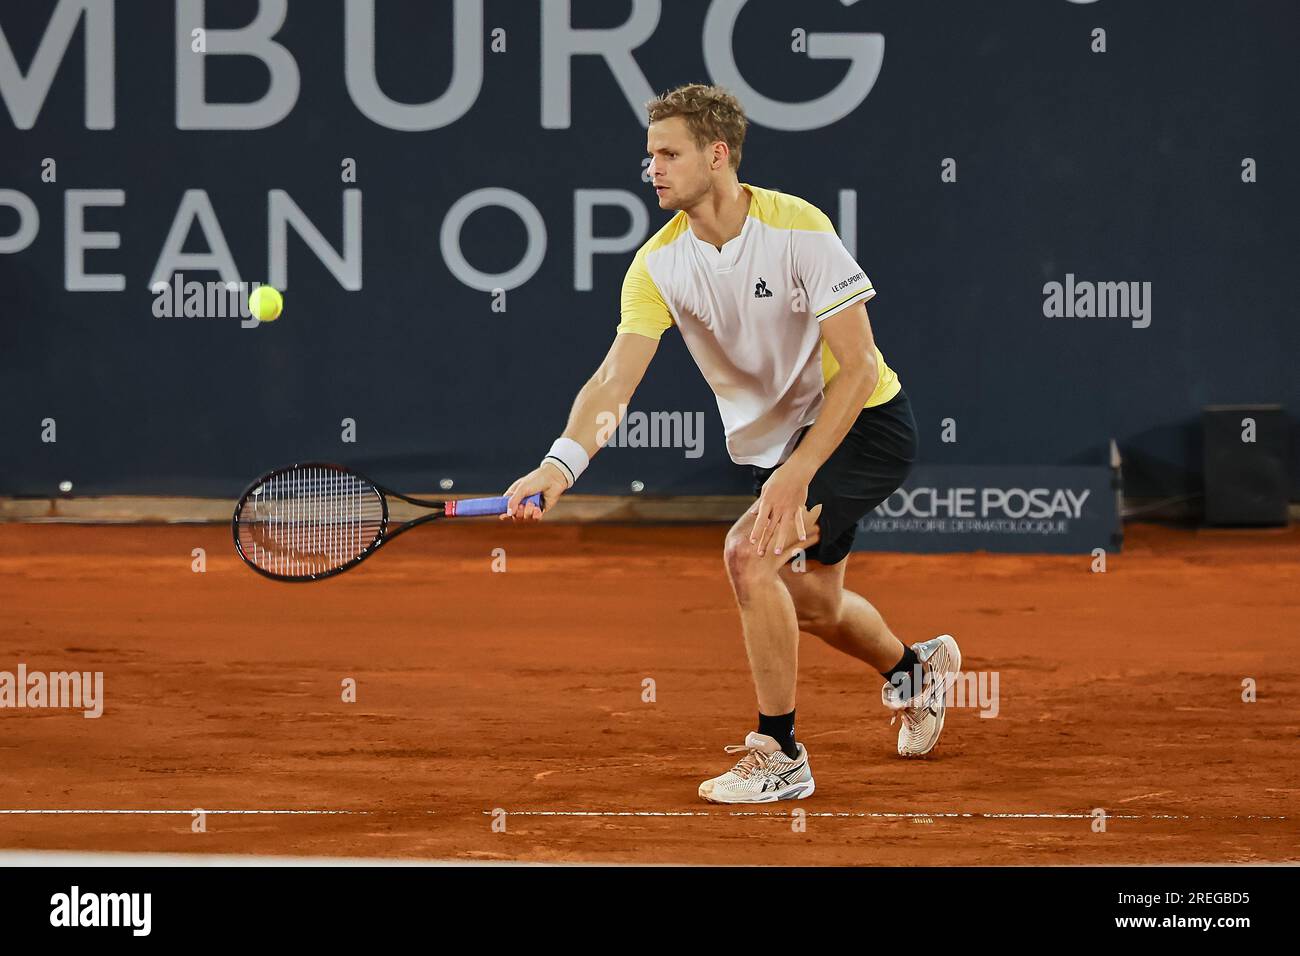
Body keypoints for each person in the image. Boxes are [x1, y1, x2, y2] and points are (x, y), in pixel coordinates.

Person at [502, 83, 960, 804]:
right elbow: (613, 381)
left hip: (860, 423)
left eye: (668, 153)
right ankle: (916, 672)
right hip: (778, 450)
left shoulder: (799, 229)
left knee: (748, 557)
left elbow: (862, 364)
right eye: (649, 154)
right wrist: (562, 462)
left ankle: (780, 753)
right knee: (814, 605)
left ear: (717, 157)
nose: (651, 167)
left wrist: (801, 472)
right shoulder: (658, 265)